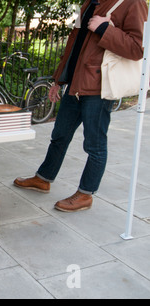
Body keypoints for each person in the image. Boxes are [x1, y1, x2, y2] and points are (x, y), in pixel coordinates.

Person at [13, 0, 148, 212]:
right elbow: (74, 44)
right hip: (75, 83)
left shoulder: (133, 3)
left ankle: (85, 194)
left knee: (94, 144)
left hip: (99, 86)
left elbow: (137, 48)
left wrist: (104, 28)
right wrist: (58, 79)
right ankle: (43, 178)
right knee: (59, 135)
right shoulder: (89, 3)